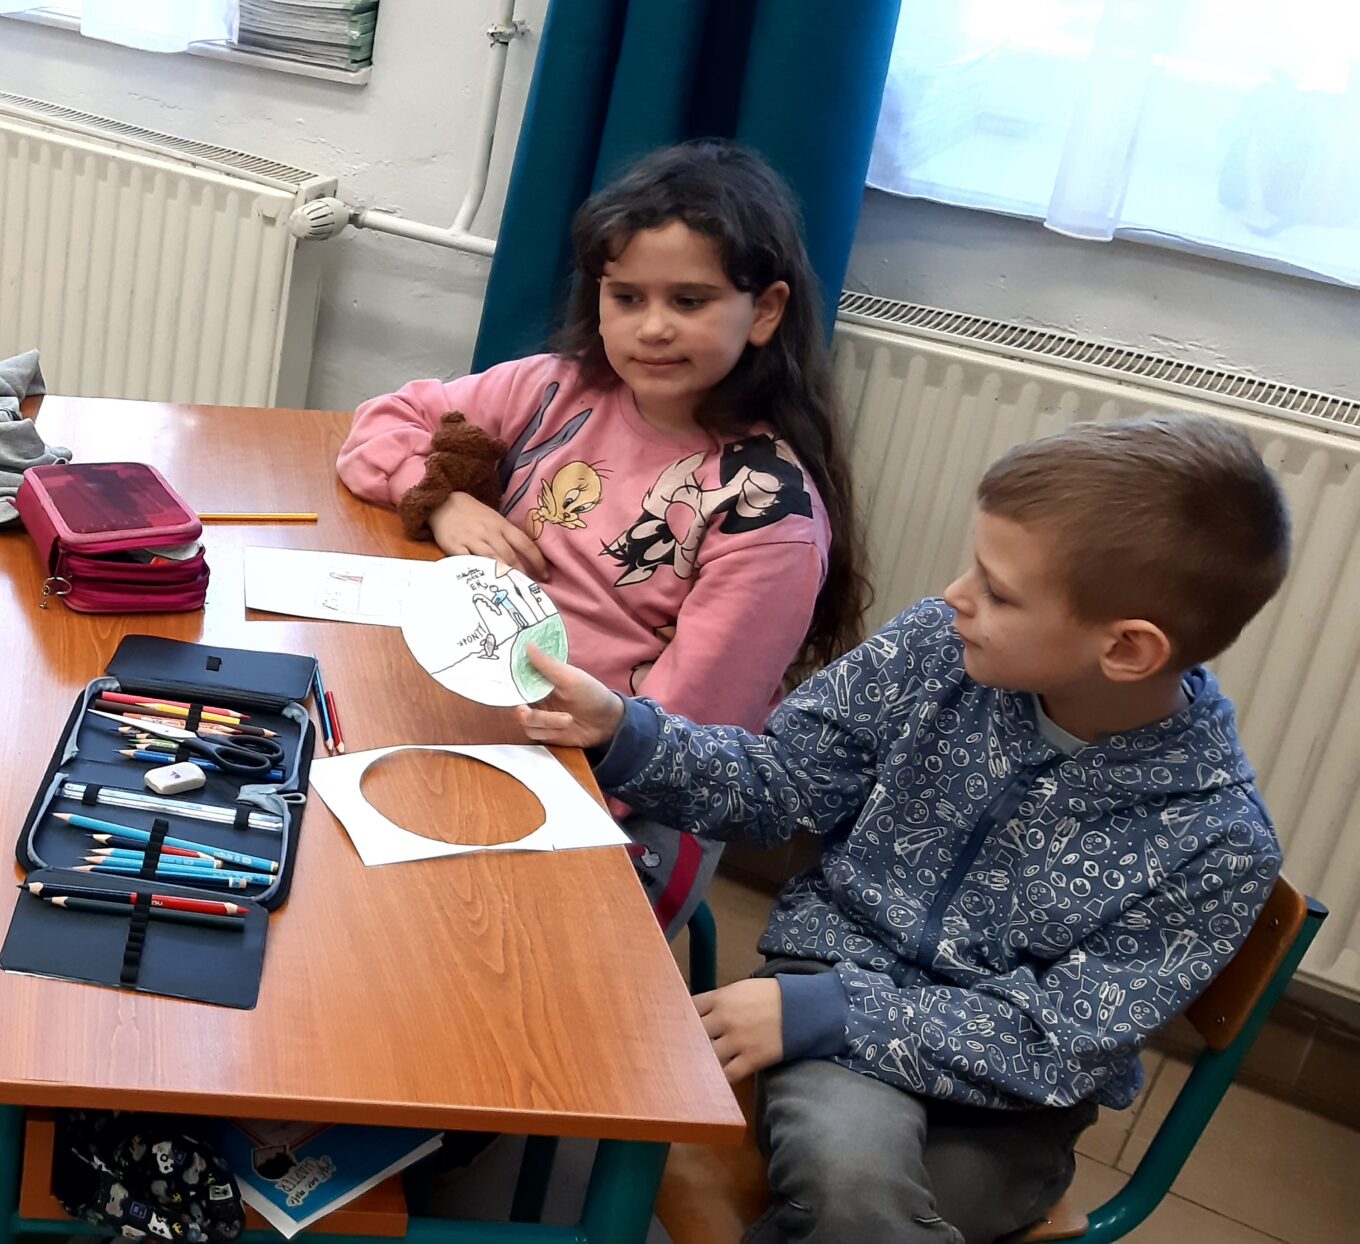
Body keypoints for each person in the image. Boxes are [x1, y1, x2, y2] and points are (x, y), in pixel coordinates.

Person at [512, 413, 1291, 1244]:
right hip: (835, 989)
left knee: (871, 1212)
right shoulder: (935, 648)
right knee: (853, 1190)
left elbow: (1063, 1040)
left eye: (998, 591)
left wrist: (832, 1015)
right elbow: (782, 783)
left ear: (1128, 649)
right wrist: (624, 730)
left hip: (1005, 1100)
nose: (956, 595)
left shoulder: (1219, 841)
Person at [338, 140, 865, 933]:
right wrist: (443, 502)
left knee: (456, 941)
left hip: (624, 797)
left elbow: (687, 741)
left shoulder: (767, 514)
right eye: (626, 297)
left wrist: (508, 796)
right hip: (481, 721)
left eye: (689, 301)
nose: (652, 328)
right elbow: (382, 423)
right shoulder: (558, 387)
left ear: (764, 311)